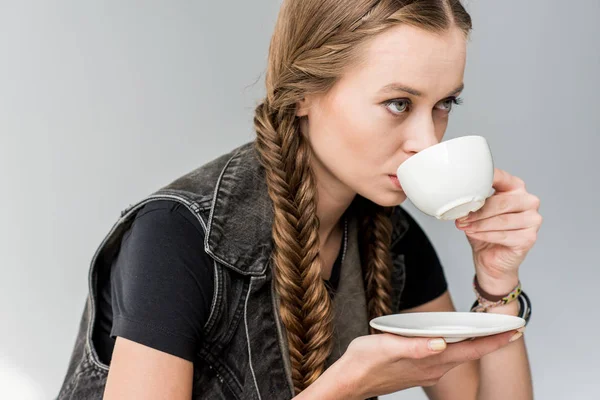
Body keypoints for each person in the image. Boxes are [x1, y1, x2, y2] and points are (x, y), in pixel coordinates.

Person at [57, 0, 543, 399]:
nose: (427, 141)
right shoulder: (178, 235)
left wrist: (498, 285)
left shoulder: (389, 234)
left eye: (443, 105)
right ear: (303, 93)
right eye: (398, 103)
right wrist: (344, 389)